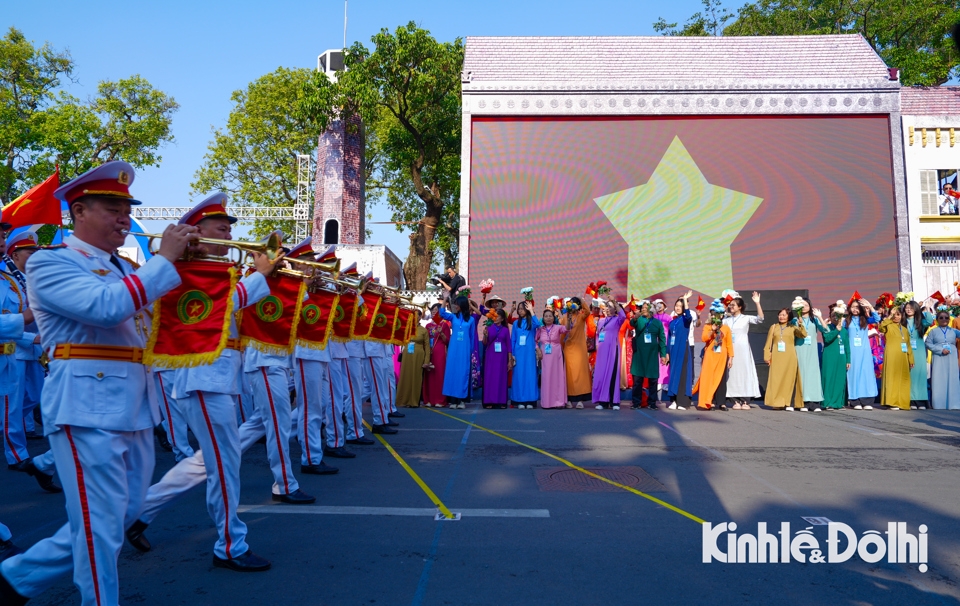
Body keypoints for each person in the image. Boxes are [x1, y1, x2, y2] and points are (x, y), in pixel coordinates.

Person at [0, 161, 198, 604]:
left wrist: (198, 266)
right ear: (79, 211)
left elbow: (175, 318)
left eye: (127, 208)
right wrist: (164, 259)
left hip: (136, 403)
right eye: (112, 207)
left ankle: (16, 578)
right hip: (85, 403)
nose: (124, 217)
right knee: (99, 527)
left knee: (116, 515)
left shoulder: (127, 268)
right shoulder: (51, 263)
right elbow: (104, 308)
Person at [723, 292, 764, 410]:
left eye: (733, 305)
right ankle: (735, 400)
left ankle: (746, 401)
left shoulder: (746, 318)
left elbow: (760, 319)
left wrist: (757, 303)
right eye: (730, 305)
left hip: (743, 349)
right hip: (730, 350)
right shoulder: (727, 320)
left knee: (744, 373)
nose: (731, 307)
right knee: (732, 374)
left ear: (740, 307)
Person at [762, 308, 808, 410]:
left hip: (790, 357)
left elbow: (803, 335)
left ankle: (787, 402)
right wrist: (767, 357)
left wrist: (801, 324)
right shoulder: (774, 327)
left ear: (789, 316)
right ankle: (776, 403)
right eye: (780, 315)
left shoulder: (793, 327)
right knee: (776, 380)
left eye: (784, 315)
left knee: (788, 380)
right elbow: (768, 343)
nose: (781, 317)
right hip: (777, 357)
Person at [438, 296, 478, 409]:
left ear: (463, 305)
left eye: (457, 304)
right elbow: (442, 313)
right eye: (455, 304)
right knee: (452, 372)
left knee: (462, 373)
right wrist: (445, 299)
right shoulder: (453, 317)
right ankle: (453, 400)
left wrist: (470, 352)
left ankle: (461, 400)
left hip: (464, 350)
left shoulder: (471, 320)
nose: (455, 306)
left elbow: (472, 337)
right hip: (453, 349)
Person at [693, 299, 732, 410]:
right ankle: (708, 401)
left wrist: (731, 357)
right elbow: (704, 338)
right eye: (714, 314)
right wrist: (712, 330)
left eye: (719, 315)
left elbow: (729, 344)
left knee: (721, 379)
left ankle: (722, 402)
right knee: (708, 378)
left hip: (722, 356)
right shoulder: (708, 326)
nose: (717, 317)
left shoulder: (726, 328)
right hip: (710, 355)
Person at [630, 301, 668, 410]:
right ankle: (636, 402)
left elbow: (662, 339)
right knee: (637, 380)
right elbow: (632, 323)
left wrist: (663, 355)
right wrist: (635, 317)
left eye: (646, 308)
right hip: (639, 354)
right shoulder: (639, 320)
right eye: (642, 308)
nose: (643, 309)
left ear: (651, 310)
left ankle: (652, 403)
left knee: (653, 380)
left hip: (652, 355)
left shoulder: (657, 323)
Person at [845, 298, 880, 409]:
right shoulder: (846, 320)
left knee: (866, 375)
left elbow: (877, 318)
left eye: (857, 307)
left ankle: (867, 401)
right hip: (853, 352)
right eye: (853, 307)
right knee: (853, 374)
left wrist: (869, 306)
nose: (855, 309)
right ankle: (855, 401)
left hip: (864, 351)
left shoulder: (865, 319)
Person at [665, 292, 697, 410]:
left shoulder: (685, 319)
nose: (678, 308)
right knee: (673, 375)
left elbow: (689, 316)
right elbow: (669, 338)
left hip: (683, 349)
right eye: (676, 306)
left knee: (683, 375)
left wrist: (685, 300)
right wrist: (667, 352)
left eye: (680, 306)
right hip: (673, 351)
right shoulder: (673, 322)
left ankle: (682, 402)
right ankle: (673, 400)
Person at [592, 298, 626, 410]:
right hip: (602, 351)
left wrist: (615, 303)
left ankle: (614, 402)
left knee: (612, 374)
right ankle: (602, 401)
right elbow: (597, 335)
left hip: (613, 349)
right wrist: (597, 345)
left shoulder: (617, 320)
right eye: (608, 306)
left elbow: (623, 316)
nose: (609, 308)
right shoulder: (601, 321)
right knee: (601, 375)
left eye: (611, 307)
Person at [879, 306, 914, 410]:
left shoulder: (904, 329)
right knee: (892, 377)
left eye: (898, 314)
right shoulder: (888, 325)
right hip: (891, 355)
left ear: (902, 315)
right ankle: (892, 402)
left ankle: (902, 402)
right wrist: (889, 316)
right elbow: (881, 328)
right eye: (894, 314)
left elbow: (908, 345)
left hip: (903, 356)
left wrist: (911, 358)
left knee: (903, 378)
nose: (896, 317)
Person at [794, 297, 825, 412]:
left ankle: (815, 402)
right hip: (800, 350)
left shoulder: (814, 320)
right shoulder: (794, 320)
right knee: (802, 374)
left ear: (810, 306)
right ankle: (803, 402)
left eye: (806, 304)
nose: (803, 307)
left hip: (812, 351)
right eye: (801, 305)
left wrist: (820, 317)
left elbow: (825, 330)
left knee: (813, 375)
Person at [925, 310, 960, 410]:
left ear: (949, 319)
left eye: (946, 317)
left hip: (951, 357)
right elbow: (928, 343)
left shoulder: (954, 331)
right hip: (939, 356)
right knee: (938, 378)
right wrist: (940, 350)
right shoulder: (933, 331)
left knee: (952, 378)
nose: (944, 319)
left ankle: (954, 404)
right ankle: (939, 404)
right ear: (937, 320)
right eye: (941, 317)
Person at [510, 302, 541, 408]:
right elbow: (513, 340)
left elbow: (538, 324)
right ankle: (520, 400)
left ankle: (530, 400)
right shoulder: (515, 324)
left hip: (529, 354)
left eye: (523, 309)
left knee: (530, 375)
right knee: (519, 376)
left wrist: (532, 310)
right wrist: (512, 354)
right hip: (519, 353)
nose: (520, 311)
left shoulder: (531, 322)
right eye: (519, 309)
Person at [903, 301, 933, 409]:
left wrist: (927, 310)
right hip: (906, 350)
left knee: (920, 375)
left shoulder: (920, 322)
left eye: (911, 308)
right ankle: (911, 401)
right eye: (906, 308)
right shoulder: (902, 321)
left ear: (916, 309)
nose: (908, 310)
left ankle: (920, 401)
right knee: (910, 376)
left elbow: (930, 321)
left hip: (919, 351)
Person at [563, 298, 592, 408]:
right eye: (571, 304)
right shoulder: (565, 317)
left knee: (580, 374)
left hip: (580, 349)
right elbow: (562, 332)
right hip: (568, 349)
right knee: (569, 374)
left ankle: (580, 400)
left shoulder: (581, 316)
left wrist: (581, 300)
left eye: (574, 304)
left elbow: (588, 311)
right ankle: (569, 399)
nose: (572, 306)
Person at [397, 309, 430, 407]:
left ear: (420, 317)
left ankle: (413, 402)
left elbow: (427, 346)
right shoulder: (406, 328)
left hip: (418, 354)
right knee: (405, 376)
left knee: (416, 377)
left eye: (416, 316)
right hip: (407, 353)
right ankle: (403, 400)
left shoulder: (424, 330)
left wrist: (426, 361)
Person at [820, 302, 850, 410]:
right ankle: (827, 402)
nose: (835, 318)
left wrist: (848, 360)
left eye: (837, 316)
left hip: (841, 357)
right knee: (829, 378)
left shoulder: (844, 331)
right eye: (833, 316)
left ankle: (838, 403)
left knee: (839, 379)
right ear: (830, 317)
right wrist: (836, 329)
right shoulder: (827, 327)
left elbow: (847, 346)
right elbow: (827, 339)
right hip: (829, 356)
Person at [537, 308, 568, 409]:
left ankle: (558, 402)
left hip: (557, 355)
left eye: (550, 316)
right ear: (543, 318)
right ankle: (547, 402)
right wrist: (537, 349)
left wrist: (570, 318)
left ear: (553, 317)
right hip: (545, 356)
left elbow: (567, 329)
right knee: (546, 378)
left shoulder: (558, 327)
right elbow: (534, 340)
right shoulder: (540, 329)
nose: (548, 318)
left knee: (557, 377)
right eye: (546, 316)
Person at [482, 309, 512, 409]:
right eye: (494, 315)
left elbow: (509, 345)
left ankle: (501, 401)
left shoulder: (505, 330)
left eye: (498, 316)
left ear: (502, 318)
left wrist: (510, 360)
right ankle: (489, 401)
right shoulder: (488, 327)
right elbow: (485, 343)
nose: (495, 317)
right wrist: (485, 335)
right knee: (490, 377)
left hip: (502, 357)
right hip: (491, 355)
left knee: (501, 377)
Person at [423, 303, 449, 407]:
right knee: (429, 375)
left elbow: (447, 341)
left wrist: (442, 333)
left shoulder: (444, 325)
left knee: (439, 375)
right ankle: (428, 399)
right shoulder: (428, 326)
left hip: (440, 352)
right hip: (429, 351)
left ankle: (440, 400)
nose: (433, 311)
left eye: (436, 310)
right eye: (432, 310)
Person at [652, 299, 671, 395]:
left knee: (665, 361)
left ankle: (665, 382)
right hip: (656, 340)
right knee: (657, 361)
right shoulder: (653, 317)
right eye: (657, 304)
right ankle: (658, 381)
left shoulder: (668, 317)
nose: (659, 306)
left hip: (665, 340)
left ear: (664, 306)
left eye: (661, 304)